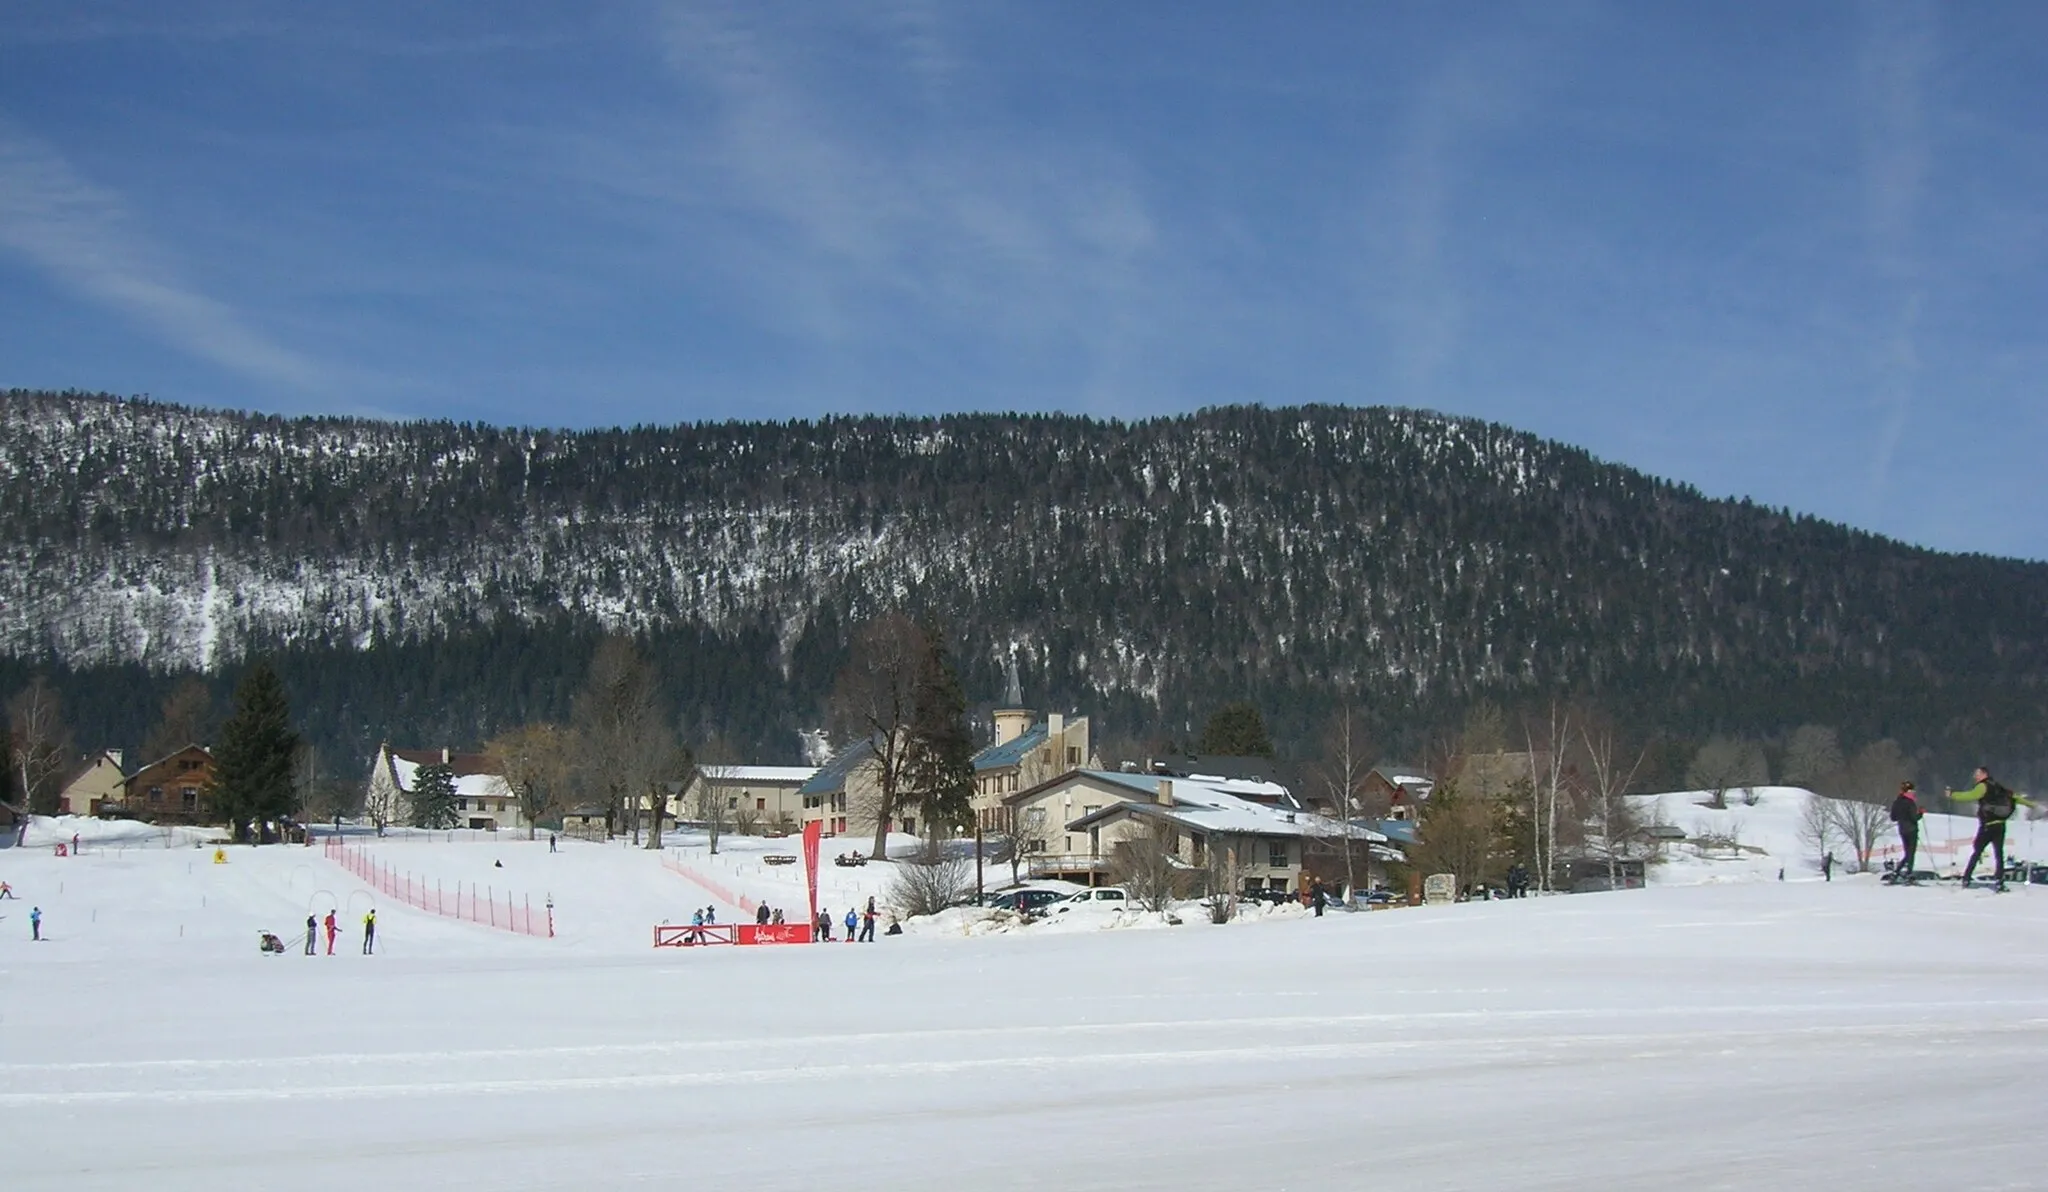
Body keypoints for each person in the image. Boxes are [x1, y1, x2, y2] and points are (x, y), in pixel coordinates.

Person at [1952, 767, 2031, 891]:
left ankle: (1966, 878)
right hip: (2000, 824)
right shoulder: (1998, 786)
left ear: (1984, 774)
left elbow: (1970, 795)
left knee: (1977, 851)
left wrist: (1953, 795)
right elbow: (2015, 797)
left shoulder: (1983, 786)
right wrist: (2032, 805)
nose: (1975, 777)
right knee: (1999, 854)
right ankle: (1999, 881)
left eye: (1977, 774)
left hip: (1987, 825)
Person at [1890, 782, 1924, 882]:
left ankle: (1897, 872)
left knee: (1907, 853)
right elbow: (1914, 818)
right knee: (1910, 854)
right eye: (1912, 791)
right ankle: (1907, 873)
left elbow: (1893, 817)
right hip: (1911, 830)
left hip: (1902, 830)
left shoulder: (1897, 802)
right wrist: (1921, 813)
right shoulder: (1910, 802)